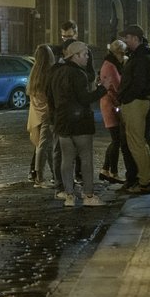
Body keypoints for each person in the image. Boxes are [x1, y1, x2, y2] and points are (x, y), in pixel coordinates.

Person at [47, 41, 107, 207]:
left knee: (67, 160)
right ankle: (88, 195)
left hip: (62, 122)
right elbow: (85, 98)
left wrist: (55, 116)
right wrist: (103, 89)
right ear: (75, 56)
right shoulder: (78, 74)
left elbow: (49, 97)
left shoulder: (56, 72)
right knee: (86, 158)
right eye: (85, 54)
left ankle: (69, 195)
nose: (87, 58)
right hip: (80, 123)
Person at [117, 24, 150, 194]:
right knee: (141, 143)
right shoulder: (142, 55)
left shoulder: (140, 57)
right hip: (138, 102)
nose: (125, 40)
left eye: (127, 37)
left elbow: (139, 83)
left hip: (135, 103)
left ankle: (145, 181)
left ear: (135, 38)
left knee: (135, 144)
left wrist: (126, 97)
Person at [26, 44, 56, 187]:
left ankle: (54, 175)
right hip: (48, 113)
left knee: (45, 145)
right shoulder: (50, 72)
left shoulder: (35, 72)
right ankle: (40, 177)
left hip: (37, 112)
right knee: (44, 146)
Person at [98, 39, 127, 184]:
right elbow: (117, 86)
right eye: (122, 53)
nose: (123, 55)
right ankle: (111, 172)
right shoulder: (111, 66)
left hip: (109, 104)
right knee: (117, 140)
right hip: (111, 105)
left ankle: (106, 170)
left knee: (116, 140)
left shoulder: (110, 64)